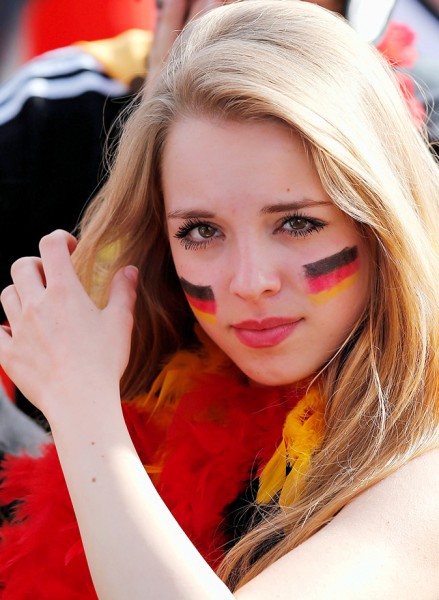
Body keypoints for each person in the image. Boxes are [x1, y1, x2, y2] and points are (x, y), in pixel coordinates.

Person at [1, 1, 439, 598]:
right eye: (201, 231)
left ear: (380, 221)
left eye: (297, 223)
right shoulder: (171, 408)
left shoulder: (425, 461)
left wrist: (83, 407)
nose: (248, 281)